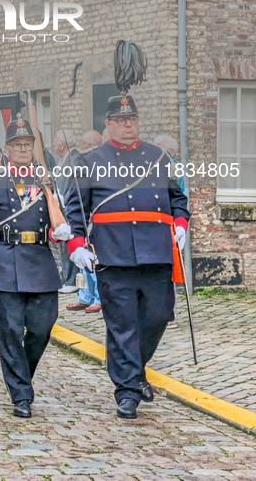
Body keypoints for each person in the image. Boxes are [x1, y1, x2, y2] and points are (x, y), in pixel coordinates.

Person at [64, 95, 190, 420]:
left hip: (157, 254)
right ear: (108, 124)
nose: (127, 124)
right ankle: (128, 391)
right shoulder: (90, 161)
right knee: (122, 326)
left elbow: (178, 198)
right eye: (120, 120)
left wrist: (180, 224)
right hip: (113, 254)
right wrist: (77, 243)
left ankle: (135, 370)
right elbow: (75, 209)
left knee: (158, 317)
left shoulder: (158, 157)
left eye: (131, 118)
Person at [0, 116, 70, 419]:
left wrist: (60, 232)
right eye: (18, 145)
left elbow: (57, 220)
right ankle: (20, 394)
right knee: (11, 331)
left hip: (40, 261)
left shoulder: (45, 180)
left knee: (42, 326)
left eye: (28, 144)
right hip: (5, 262)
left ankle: (21, 374)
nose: (24, 149)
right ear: (8, 149)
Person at [66, 131, 103, 315]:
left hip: (96, 221)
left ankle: (97, 297)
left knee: (95, 262)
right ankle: (85, 296)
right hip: (84, 220)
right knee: (83, 262)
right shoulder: (82, 163)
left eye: (84, 144)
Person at [52, 129, 79, 294]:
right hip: (62, 206)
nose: (54, 144)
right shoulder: (63, 160)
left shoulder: (74, 160)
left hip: (69, 207)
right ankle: (67, 277)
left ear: (62, 144)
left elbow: (72, 186)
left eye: (55, 141)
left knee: (71, 242)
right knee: (63, 244)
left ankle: (72, 279)